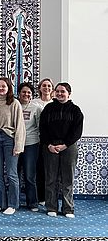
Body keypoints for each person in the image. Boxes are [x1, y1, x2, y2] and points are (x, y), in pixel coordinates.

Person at [39, 82, 83, 218]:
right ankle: (51, 207)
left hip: (68, 147)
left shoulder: (75, 110)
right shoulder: (48, 109)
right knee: (50, 178)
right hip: (50, 147)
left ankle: (68, 209)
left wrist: (65, 145)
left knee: (67, 179)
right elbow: (42, 128)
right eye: (57, 91)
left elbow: (77, 132)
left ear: (69, 93)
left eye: (62, 91)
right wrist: (49, 145)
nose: (59, 94)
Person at [0, 77, 26, 215]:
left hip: (9, 138)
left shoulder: (14, 103)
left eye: (3, 86)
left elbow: (20, 126)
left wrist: (18, 146)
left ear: (9, 88)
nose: (0, 89)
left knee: (12, 174)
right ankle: (0, 203)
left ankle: (12, 204)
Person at [17, 82, 42, 211]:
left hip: (31, 144)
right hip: (15, 144)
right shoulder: (14, 105)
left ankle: (32, 203)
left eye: (28, 92)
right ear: (19, 93)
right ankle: (14, 202)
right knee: (14, 174)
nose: (26, 94)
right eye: (23, 92)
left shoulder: (36, 108)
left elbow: (40, 126)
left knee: (29, 175)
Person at [31, 78, 55, 206]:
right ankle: (40, 197)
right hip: (36, 141)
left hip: (51, 142)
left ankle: (51, 197)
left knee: (50, 170)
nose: (46, 88)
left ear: (52, 89)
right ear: (40, 88)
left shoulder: (55, 103)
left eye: (49, 86)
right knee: (39, 169)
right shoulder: (34, 102)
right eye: (44, 85)